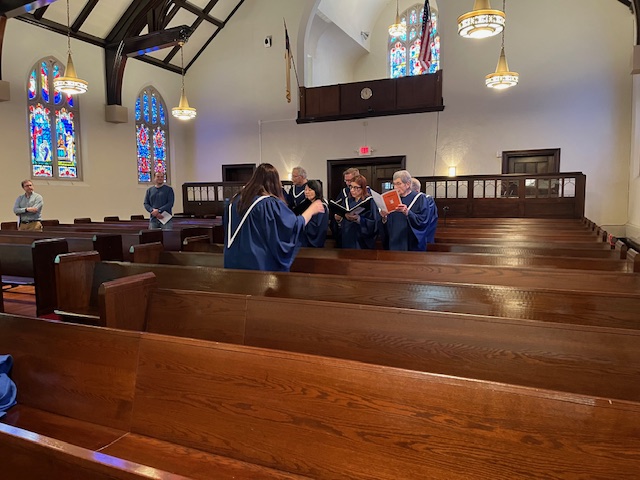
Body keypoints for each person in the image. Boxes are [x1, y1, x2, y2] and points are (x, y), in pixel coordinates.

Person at [224, 163, 324, 271]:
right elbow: (290, 227)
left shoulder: (234, 201)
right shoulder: (267, 203)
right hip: (256, 262)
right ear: (273, 182)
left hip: (231, 260)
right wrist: (311, 211)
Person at [380, 170, 435, 251]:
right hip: (394, 242)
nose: (395, 187)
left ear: (408, 184)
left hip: (411, 243)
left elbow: (423, 221)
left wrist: (407, 212)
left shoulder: (420, 199)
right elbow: (388, 225)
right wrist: (384, 217)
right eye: (394, 184)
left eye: (398, 184)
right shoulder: (392, 199)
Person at [334, 174, 379, 249]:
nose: (352, 190)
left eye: (356, 188)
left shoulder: (370, 202)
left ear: (363, 188)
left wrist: (359, 219)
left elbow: (374, 223)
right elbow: (341, 224)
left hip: (362, 241)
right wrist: (339, 220)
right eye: (351, 187)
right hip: (347, 238)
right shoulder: (346, 201)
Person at [299, 180, 329, 248]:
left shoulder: (321, 206)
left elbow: (316, 227)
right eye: (305, 190)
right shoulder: (306, 203)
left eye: (310, 190)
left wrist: (301, 221)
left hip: (314, 242)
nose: (307, 192)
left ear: (317, 190)